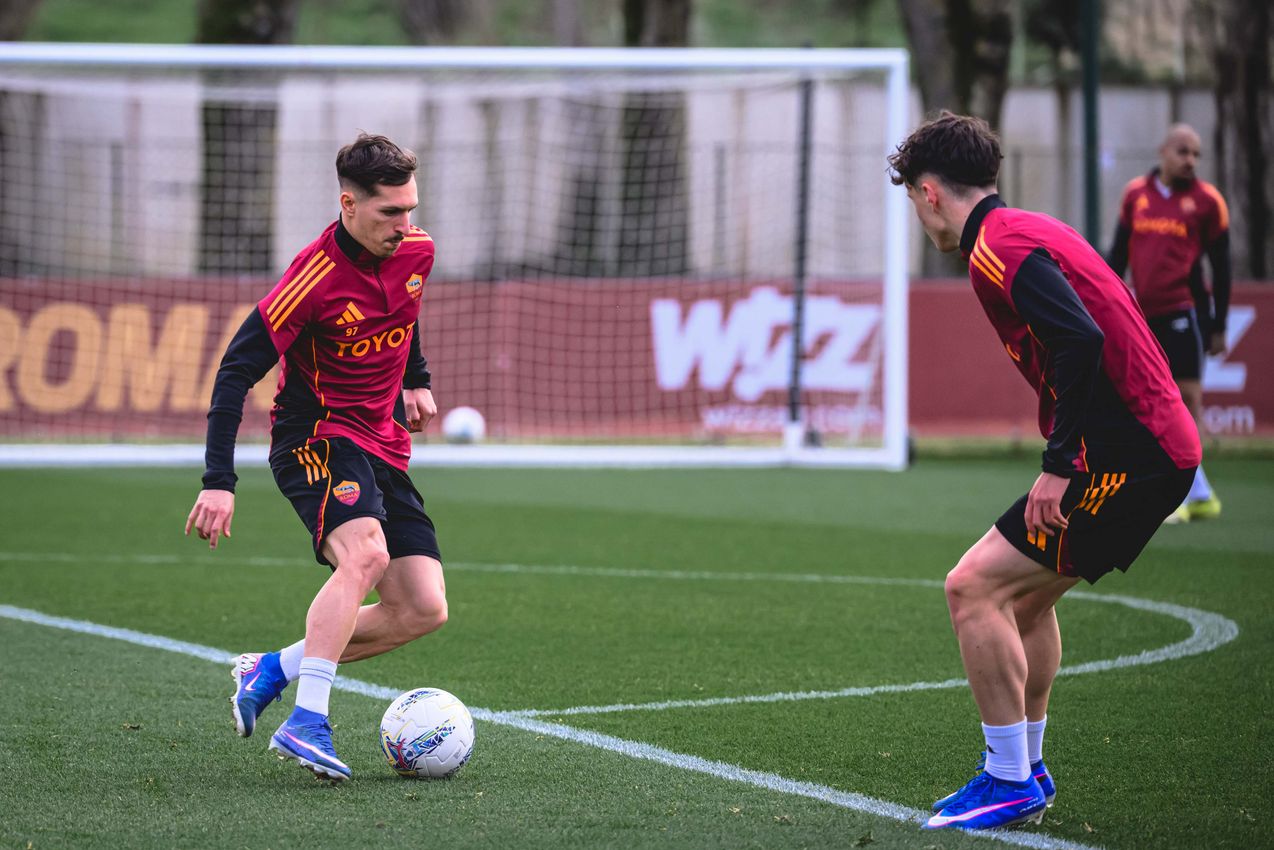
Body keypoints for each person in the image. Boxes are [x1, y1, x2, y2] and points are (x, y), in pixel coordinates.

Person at [888, 112, 1200, 831]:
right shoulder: (1021, 230)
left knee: (971, 588)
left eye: (913, 197)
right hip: (1147, 450)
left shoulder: (997, 248)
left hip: (1131, 457)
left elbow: (1079, 339)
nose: (916, 212)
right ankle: (1025, 768)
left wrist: (1058, 466)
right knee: (1023, 603)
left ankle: (1006, 779)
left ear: (930, 194)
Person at [185, 133, 446, 782]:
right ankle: (308, 722)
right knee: (366, 556)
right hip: (316, 438)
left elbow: (405, 310)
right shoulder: (314, 278)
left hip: (383, 444)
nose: (405, 225)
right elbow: (234, 372)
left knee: (422, 608)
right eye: (390, 212)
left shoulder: (417, 250)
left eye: (411, 208)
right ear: (348, 205)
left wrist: (416, 376)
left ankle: (270, 668)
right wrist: (219, 482)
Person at [1107, 123, 1231, 523]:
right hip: (1141, 314)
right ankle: (1197, 492)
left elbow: (1222, 267)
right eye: (1183, 151)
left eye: (1196, 154)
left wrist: (1218, 324)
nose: (1189, 160)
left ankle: (1182, 492)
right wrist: (1105, 305)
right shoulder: (1135, 195)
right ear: (1163, 150)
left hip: (1183, 312)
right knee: (1146, 402)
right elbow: (1117, 255)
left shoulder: (1207, 202)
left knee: (1187, 400)